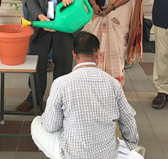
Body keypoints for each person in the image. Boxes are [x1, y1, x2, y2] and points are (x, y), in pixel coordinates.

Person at [31, 31, 144, 159]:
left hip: (72, 155)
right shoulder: (113, 83)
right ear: (97, 53)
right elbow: (128, 119)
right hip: (107, 154)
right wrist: (131, 145)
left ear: (74, 55)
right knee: (120, 145)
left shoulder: (60, 84)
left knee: (37, 123)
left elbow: (51, 126)